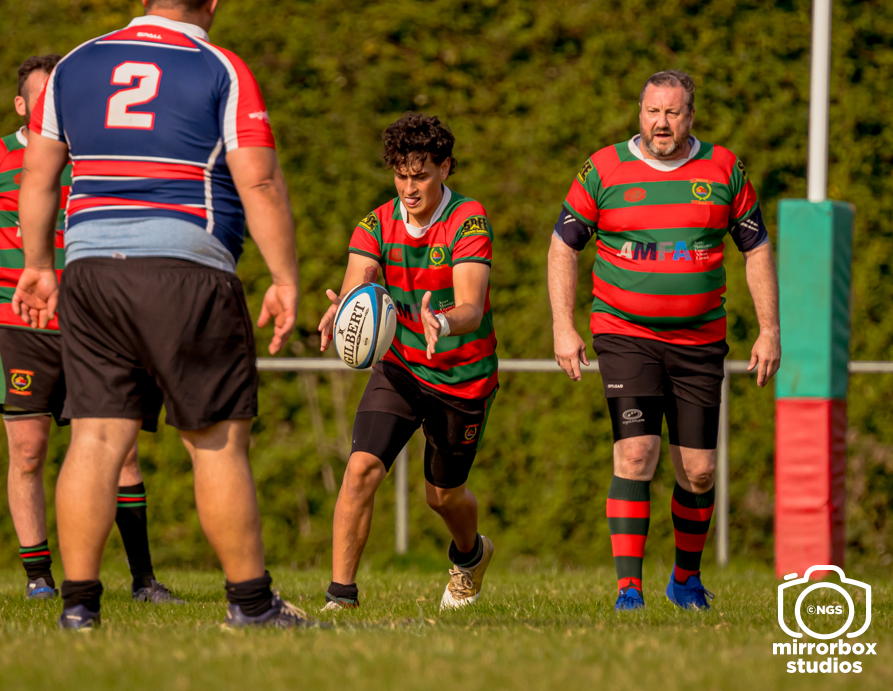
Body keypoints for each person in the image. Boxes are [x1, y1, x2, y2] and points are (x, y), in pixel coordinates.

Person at [12, 0, 313, 630]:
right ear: (214, 3)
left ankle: (79, 610)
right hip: (186, 268)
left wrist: (39, 264)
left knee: (95, 437)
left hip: (90, 269)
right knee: (215, 440)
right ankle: (251, 606)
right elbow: (260, 180)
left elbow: (39, 175)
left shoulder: (75, 63)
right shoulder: (222, 67)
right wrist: (284, 276)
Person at [0, 56, 179, 604]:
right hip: (19, 324)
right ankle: (39, 579)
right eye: (43, 96)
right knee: (28, 451)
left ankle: (144, 580)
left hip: (96, 325)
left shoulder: (97, 158)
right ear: (21, 105)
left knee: (120, 451)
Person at [547, 70, 781, 611]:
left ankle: (685, 580)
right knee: (635, 453)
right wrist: (563, 324)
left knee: (698, 471)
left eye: (673, 112)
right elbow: (563, 246)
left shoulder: (724, 169)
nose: (661, 123)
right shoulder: (603, 169)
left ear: (690, 117)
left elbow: (756, 249)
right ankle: (629, 590)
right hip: (625, 333)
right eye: (653, 111)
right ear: (640, 113)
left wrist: (769, 329)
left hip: (700, 340)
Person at [318, 113, 498, 612]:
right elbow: (359, 281)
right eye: (401, 175)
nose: (409, 187)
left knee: (442, 497)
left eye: (420, 175)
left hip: (461, 378)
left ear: (445, 168)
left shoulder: (468, 219)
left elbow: (471, 306)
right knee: (360, 469)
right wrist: (342, 308)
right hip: (400, 370)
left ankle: (471, 556)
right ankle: (341, 597)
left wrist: (442, 320)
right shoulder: (376, 223)